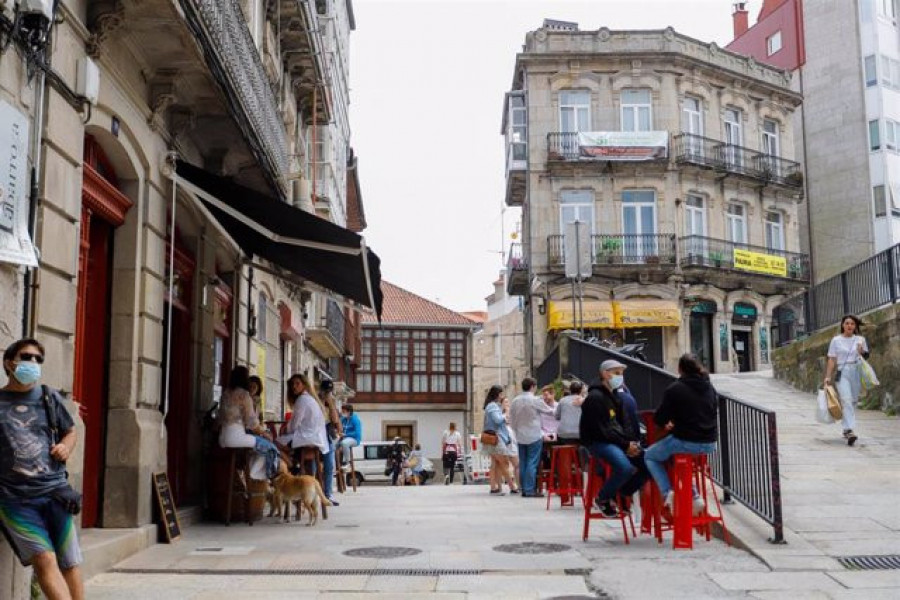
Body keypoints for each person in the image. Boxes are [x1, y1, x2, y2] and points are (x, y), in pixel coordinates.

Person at [0, 338, 84, 600]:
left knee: (69, 563)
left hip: (55, 492)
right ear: (9, 363)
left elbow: (70, 431)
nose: (33, 363)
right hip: (15, 499)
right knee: (44, 559)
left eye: (38, 359)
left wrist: (65, 447)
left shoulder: (49, 396)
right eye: (26, 357)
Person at [644, 354, 718, 521]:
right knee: (675, 458)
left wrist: (670, 423)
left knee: (650, 455)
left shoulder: (675, 389)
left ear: (680, 369)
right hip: (710, 443)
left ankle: (667, 492)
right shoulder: (709, 387)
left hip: (686, 441)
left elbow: (660, 419)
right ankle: (695, 496)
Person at [580, 360, 648, 517]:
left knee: (648, 462)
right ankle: (603, 498)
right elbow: (602, 430)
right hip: (598, 442)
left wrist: (630, 444)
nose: (620, 377)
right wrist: (626, 446)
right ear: (605, 374)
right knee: (624, 468)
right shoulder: (595, 398)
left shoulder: (615, 396)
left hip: (615, 440)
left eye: (622, 373)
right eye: (617, 373)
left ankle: (621, 494)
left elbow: (622, 425)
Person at [217, 366, 280, 481]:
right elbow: (252, 422)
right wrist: (265, 433)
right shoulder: (244, 395)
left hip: (222, 438)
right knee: (271, 448)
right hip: (236, 438)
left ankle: (250, 475)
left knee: (257, 449)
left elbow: (219, 418)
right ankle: (255, 475)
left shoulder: (225, 394)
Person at [823, 314, 869, 446]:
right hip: (842, 372)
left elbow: (866, 356)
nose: (850, 326)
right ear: (843, 325)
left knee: (853, 400)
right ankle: (850, 430)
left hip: (856, 371)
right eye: (847, 323)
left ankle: (845, 428)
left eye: (852, 324)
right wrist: (828, 376)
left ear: (855, 326)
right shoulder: (836, 340)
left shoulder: (860, 339)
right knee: (846, 399)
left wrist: (861, 352)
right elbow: (832, 359)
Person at [277, 374, 329, 481]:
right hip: (316, 439)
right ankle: (295, 467)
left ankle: (292, 466)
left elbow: (294, 424)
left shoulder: (302, 400)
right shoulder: (310, 399)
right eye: (292, 384)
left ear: (304, 385)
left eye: (297, 384)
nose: (294, 387)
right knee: (286, 443)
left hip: (307, 438)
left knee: (274, 444)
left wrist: (285, 429)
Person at [508, 377, 554, 498]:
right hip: (534, 434)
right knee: (532, 462)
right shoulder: (535, 400)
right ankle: (529, 490)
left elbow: (511, 418)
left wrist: (515, 430)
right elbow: (549, 411)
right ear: (533, 386)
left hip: (520, 435)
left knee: (523, 462)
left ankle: (523, 488)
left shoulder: (515, 401)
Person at [481, 385, 513, 495]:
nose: (502, 396)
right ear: (498, 394)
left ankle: (494, 487)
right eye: (501, 393)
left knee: (495, 464)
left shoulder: (490, 406)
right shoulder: (493, 406)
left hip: (492, 437)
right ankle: (512, 487)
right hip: (496, 438)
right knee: (504, 462)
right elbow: (498, 420)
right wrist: (506, 414)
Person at [319, 379, 342, 506]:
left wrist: (331, 403)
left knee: (329, 465)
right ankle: (317, 493)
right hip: (315, 435)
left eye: (328, 391)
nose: (326, 393)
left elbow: (335, 420)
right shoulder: (315, 401)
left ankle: (328, 494)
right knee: (313, 465)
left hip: (327, 435)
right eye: (325, 391)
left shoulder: (331, 403)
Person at [500, 396, 521, 494]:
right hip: (505, 440)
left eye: (508, 402)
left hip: (512, 439)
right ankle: (512, 485)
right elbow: (506, 421)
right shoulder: (501, 414)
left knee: (516, 464)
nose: (507, 404)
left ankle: (518, 485)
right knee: (507, 464)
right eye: (505, 402)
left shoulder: (512, 413)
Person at [555, 381, 585, 445]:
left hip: (563, 433)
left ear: (570, 390)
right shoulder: (585, 401)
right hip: (580, 433)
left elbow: (557, 416)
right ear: (581, 390)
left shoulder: (562, 400)